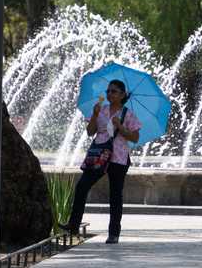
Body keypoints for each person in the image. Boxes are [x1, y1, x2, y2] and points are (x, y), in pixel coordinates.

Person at [59, 79, 142, 244]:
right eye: (108, 91)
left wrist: (121, 126)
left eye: (114, 91)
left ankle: (113, 233)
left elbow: (134, 137)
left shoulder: (128, 114)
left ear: (123, 95)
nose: (110, 94)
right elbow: (90, 132)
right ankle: (74, 224)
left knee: (115, 195)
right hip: (98, 155)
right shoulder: (101, 110)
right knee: (82, 186)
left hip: (118, 157)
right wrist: (95, 116)